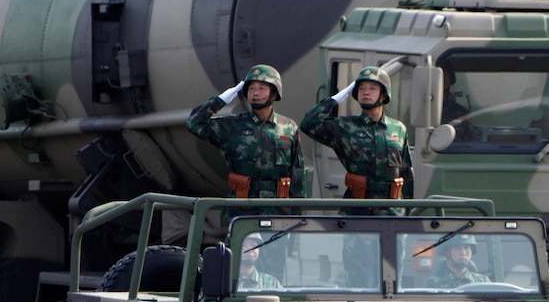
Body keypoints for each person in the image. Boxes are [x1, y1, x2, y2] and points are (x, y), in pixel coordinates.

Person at [301, 66, 413, 216]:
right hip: (357, 210)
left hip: (392, 211)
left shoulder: (398, 129)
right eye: (361, 88)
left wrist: (409, 212)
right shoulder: (345, 127)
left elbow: (406, 173)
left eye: (372, 88)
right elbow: (308, 123)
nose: (366, 92)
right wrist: (337, 98)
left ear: (384, 95)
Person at [186, 65, 305, 206]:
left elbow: (297, 171)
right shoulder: (233, 125)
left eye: (261, 88)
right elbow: (194, 123)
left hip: (278, 207)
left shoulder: (288, 127)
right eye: (251, 88)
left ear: (274, 94)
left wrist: (298, 210)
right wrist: (221, 100)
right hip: (242, 206)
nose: (255, 93)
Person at [426, 235, 490, 288]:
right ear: (447, 253)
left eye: (466, 248)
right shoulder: (434, 284)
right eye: (457, 248)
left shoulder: (482, 282)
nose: (463, 253)